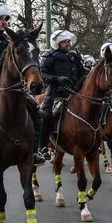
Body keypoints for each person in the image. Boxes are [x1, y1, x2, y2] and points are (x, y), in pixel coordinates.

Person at [37, 30, 85, 164]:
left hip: (73, 92)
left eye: (69, 42)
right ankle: (43, 148)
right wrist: (57, 79)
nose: (69, 44)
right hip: (55, 93)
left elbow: (82, 73)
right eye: (66, 41)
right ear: (57, 43)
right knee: (46, 116)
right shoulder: (49, 57)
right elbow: (42, 75)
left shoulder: (74, 56)